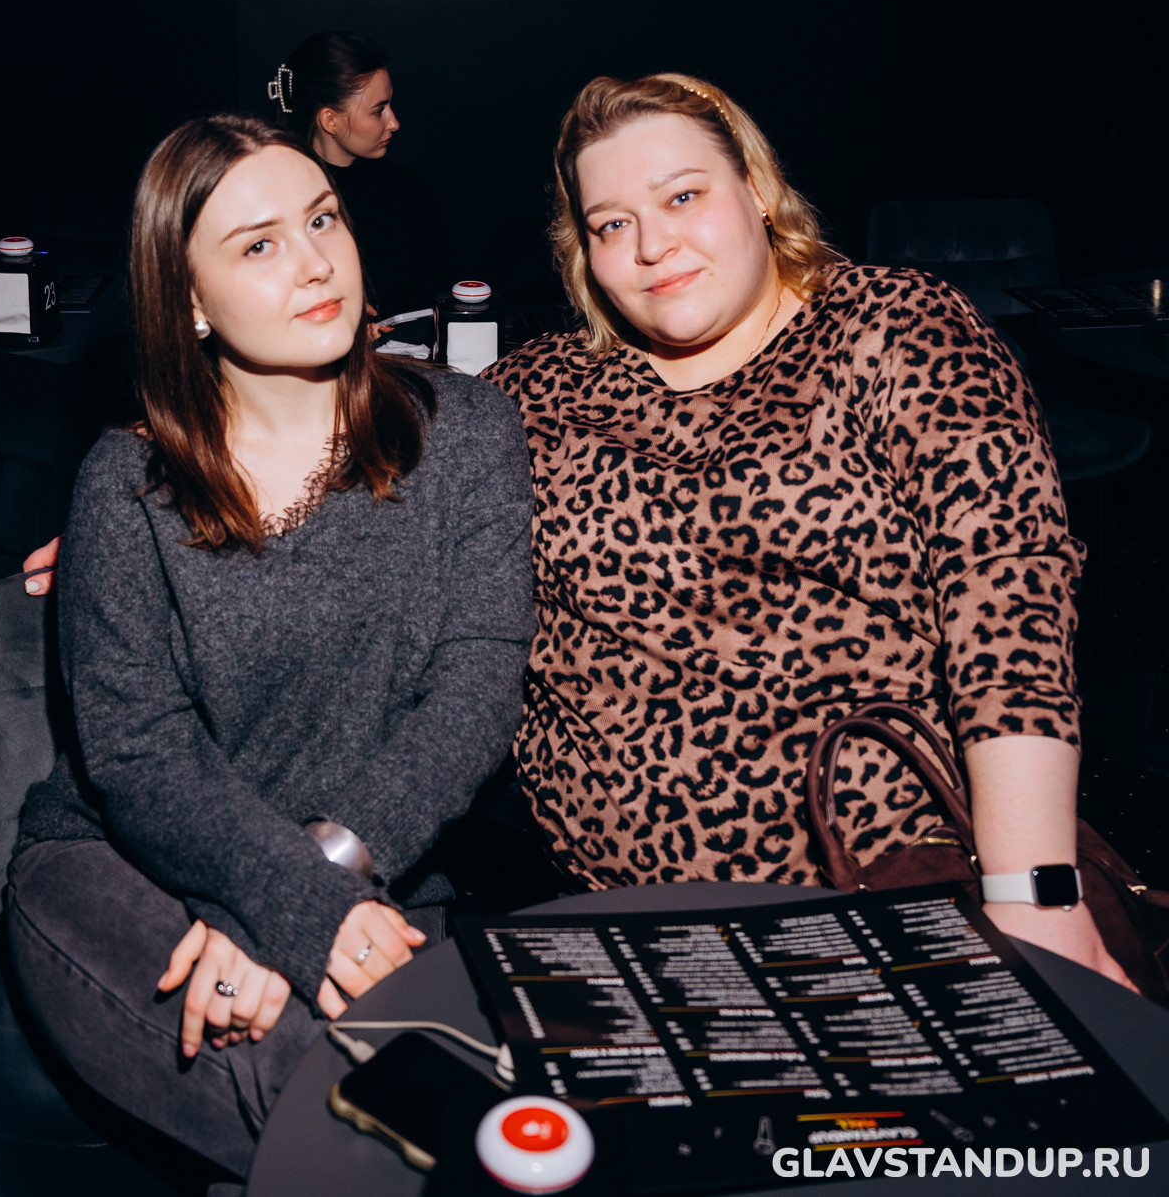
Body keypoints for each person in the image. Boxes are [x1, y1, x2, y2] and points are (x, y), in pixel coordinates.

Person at [484, 71, 1134, 990]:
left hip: (883, 901)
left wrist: (1032, 894)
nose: (652, 245)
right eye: (611, 224)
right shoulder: (536, 392)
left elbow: (1008, 601)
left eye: (682, 197)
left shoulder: (895, 329)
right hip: (617, 929)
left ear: (757, 189)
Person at [6, 113, 535, 1178]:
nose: (314, 261)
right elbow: (140, 757)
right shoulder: (127, 483)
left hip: (382, 870)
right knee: (342, 1101)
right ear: (190, 302)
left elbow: (474, 694)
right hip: (119, 869)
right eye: (258, 244)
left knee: (477, 1113)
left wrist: (295, 898)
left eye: (323, 219)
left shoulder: (469, 430)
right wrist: (280, 904)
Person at [268, 30, 451, 320]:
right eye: (378, 111)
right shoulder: (283, 203)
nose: (394, 122)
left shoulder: (409, 190)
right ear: (330, 121)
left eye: (389, 105)